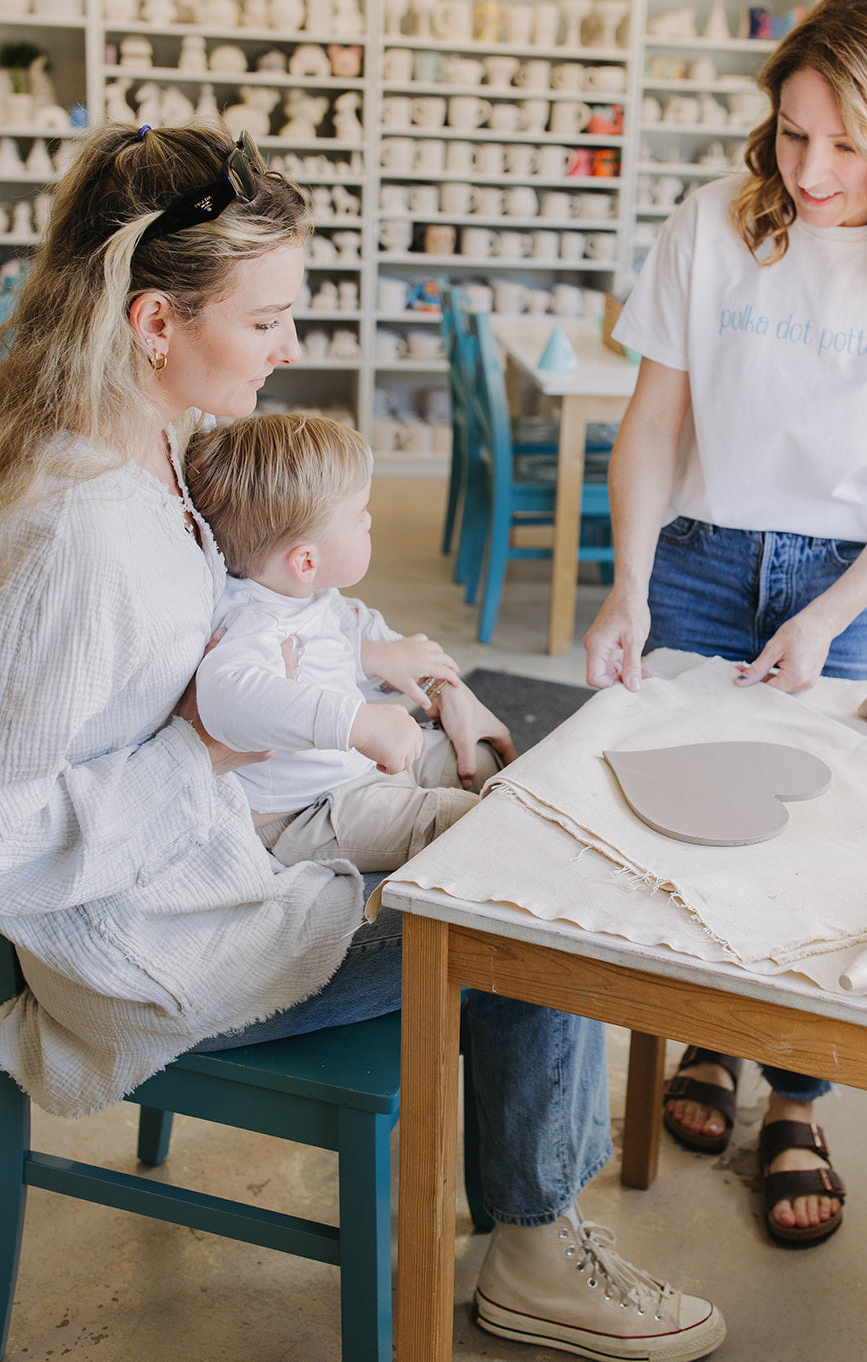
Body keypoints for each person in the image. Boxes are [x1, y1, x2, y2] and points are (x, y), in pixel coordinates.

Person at [0, 120, 725, 1360]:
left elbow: (261, 593)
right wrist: (205, 758)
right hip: (155, 946)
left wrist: (395, 663)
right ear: (155, 323)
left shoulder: (153, 444)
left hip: (227, 860)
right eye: (268, 317)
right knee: (534, 899)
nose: (290, 346)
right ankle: (536, 1249)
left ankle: (527, 1198)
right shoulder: (80, 537)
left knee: (507, 800)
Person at [584, 0, 867, 1249]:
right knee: (684, 825)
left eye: (845, 142)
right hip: (700, 560)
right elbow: (654, 424)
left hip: (859, 579)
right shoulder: (712, 224)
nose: (812, 169)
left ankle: (796, 1097)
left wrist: (832, 613)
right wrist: (624, 584)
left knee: (832, 847)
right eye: (790, 134)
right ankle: (707, 1047)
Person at [185, 410, 497, 881]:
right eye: (359, 517)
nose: (370, 520)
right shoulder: (253, 623)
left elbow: (360, 635)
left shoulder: (314, 599)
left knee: (484, 763)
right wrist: (359, 723)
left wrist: (426, 677)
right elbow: (226, 697)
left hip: (357, 773)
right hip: (307, 812)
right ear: (306, 561)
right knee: (468, 824)